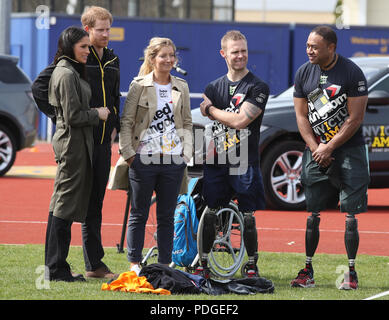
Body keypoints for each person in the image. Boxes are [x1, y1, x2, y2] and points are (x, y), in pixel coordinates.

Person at [291, 25, 369, 290]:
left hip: (349, 150)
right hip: (316, 149)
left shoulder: (351, 72)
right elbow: (301, 116)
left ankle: (351, 272)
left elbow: (355, 118)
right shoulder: (304, 72)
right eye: (307, 45)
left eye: (314, 46)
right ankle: (308, 270)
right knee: (312, 212)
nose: (308, 50)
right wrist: (316, 147)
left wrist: (330, 147)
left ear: (331, 48)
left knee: (350, 213)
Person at [114, 37, 193, 275]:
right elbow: (127, 122)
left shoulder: (181, 86)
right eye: (163, 56)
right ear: (152, 58)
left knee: (167, 216)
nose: (168, 60)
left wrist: (185, 155)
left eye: (172, 55)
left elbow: (187, 122)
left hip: (173, 160)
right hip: (143, 159)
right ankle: (135, 263)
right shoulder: (139, 85)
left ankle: (165, 264)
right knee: (138, 213)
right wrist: (129, 156)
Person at [196, 30, 269, 278]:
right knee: (212, 211)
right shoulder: (213, 86)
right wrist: (213, 110)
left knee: (248, 215)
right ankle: (204, 264)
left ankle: (252, 264)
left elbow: (240, 121)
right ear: (223, 54)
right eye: (235, 51)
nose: (240, 56)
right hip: (216, 160)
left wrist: (211, 109)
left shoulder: (258, 86)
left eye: (244, 51)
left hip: (244, 161)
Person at [45, 26, 110, 282]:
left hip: (75, 144)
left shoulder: (69, 70)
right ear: (70, 46)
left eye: (87, 46)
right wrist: (98, 114)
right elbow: (72, 116)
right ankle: (56, 268)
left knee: (62, 204)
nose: (87, 51)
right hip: (72, 146)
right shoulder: (65, 73)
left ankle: (56, 266)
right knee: (63, 206)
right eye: (82, 46)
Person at [80, 6, 121, 279]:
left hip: (105, 142)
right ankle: (59, 262)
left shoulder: (113, 58)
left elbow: (115, 96)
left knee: (96, 203)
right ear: (88, 29)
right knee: (70, 204)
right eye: (100, 29)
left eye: (108, 29)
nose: (106, 34)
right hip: (81, 141)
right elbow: (45, 88)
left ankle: (94, 264)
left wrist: (115, 124)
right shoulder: (78, 57)